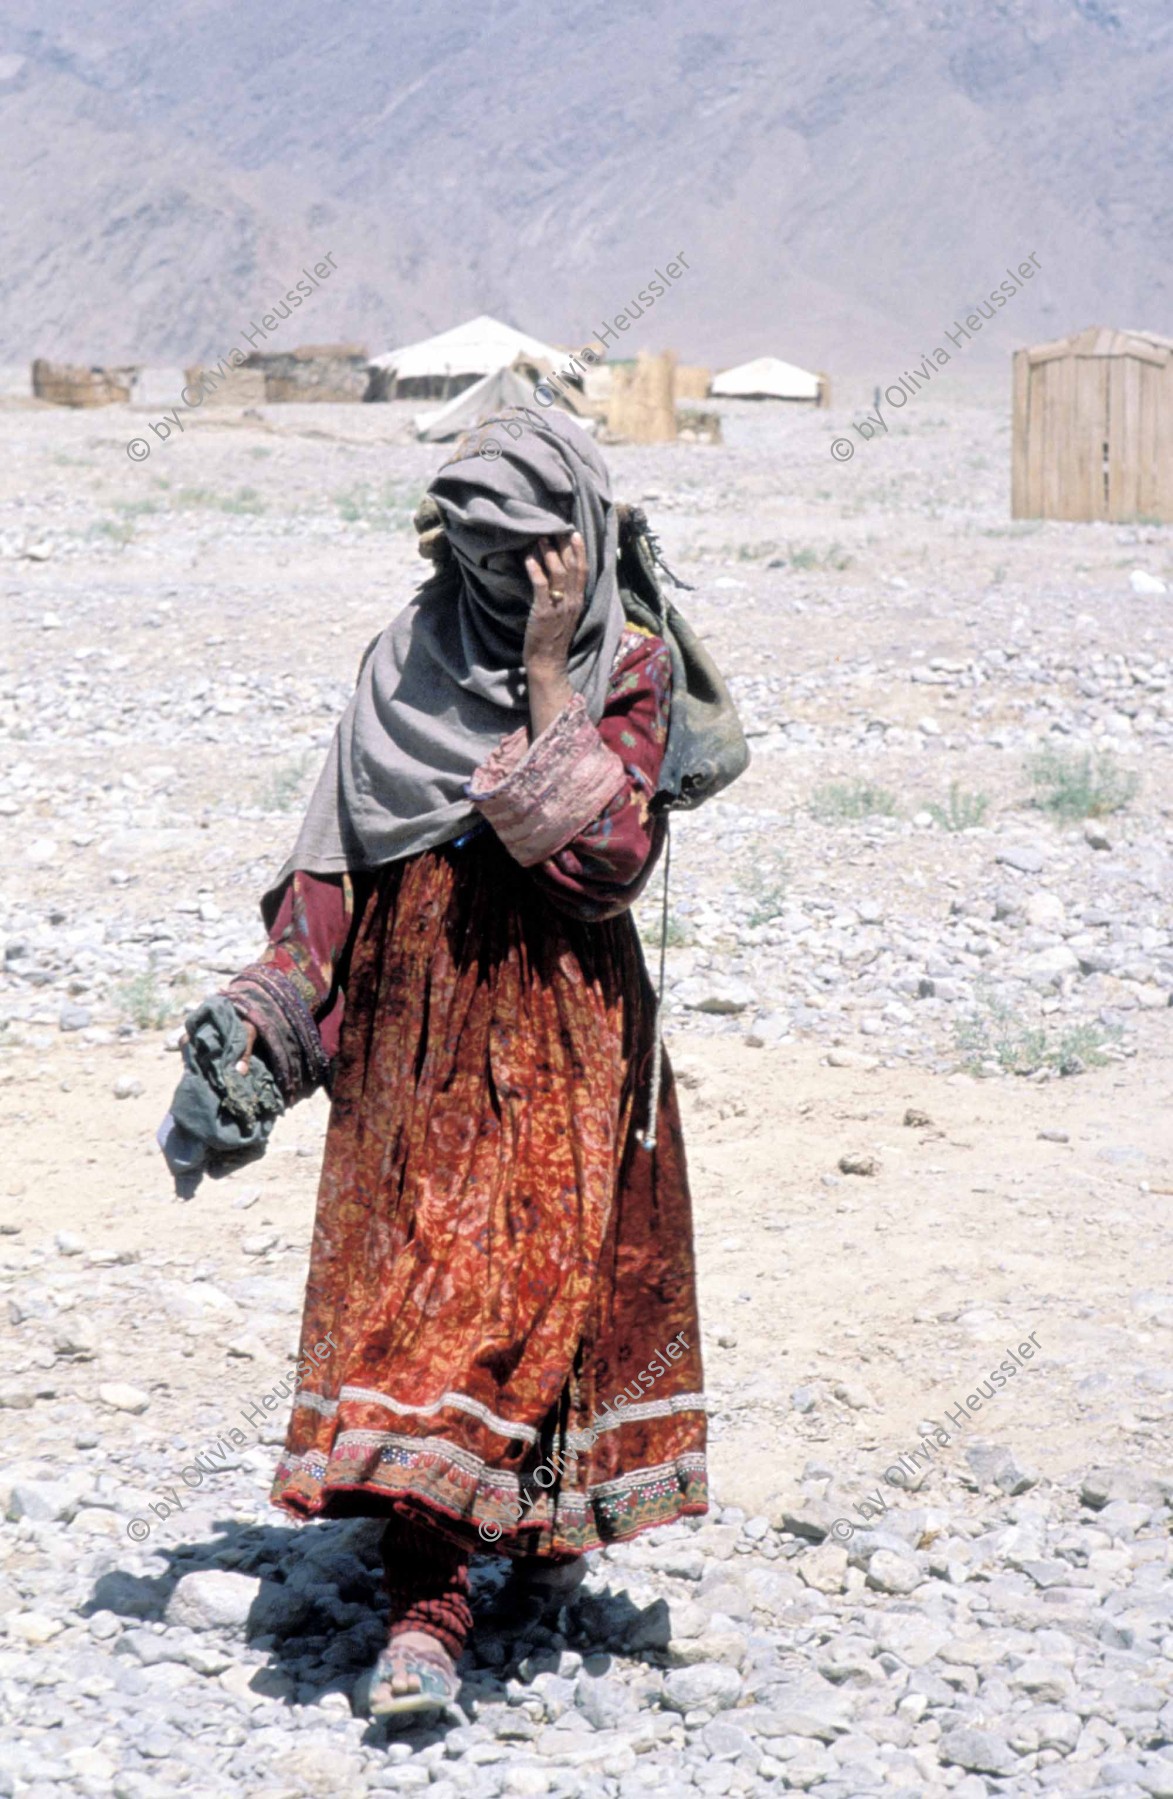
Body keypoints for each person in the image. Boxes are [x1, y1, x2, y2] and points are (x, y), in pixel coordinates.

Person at [213, 408, 708, 1720]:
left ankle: (531, 1536)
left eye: (534, 559)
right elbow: (335, 855)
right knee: (433, 1291)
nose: (507, 584)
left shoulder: (627, 666)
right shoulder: (402, 663)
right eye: (483, 557)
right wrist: (269, 1010)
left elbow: (602, 869)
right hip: (412, 1039)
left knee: (547, 1285)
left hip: (563, 1027)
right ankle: (425, 1605)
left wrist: (551, 669)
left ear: (582, 545)